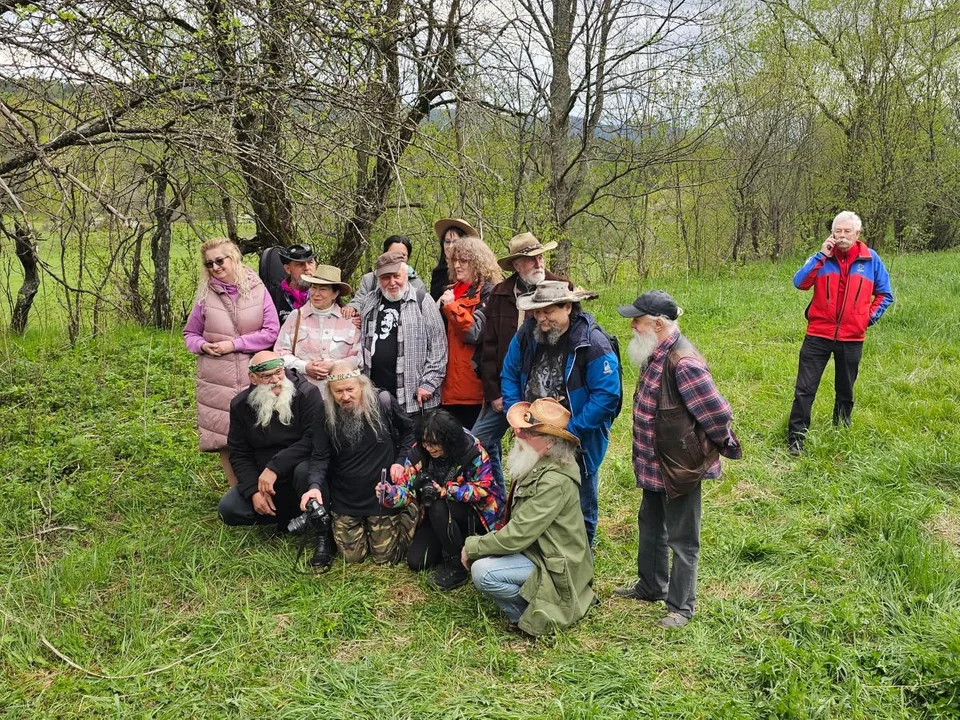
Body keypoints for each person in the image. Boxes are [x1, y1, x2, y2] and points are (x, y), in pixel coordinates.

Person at [612, 290, 741, 628]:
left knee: (682, 538)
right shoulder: (655, 353)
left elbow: (718, 414)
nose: (632, 327)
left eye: (636, 321)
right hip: (655, 464)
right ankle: (651, 586)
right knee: (650, 524)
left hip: (679, 467)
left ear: (657, 324)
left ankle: (682, 607)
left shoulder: (683, 362)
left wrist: (709, 453)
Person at [500, 280, 620, 547]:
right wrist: (515, 410)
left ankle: (581, 565)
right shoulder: (526, 335)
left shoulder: (593, 343)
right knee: (531, 494)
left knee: (580, 503)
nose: (541, 318)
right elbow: (509, 373)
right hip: (532, 431)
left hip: (576, 438)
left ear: (568, 307)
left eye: (549, 311)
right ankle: (538, 556)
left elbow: (607, 397)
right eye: (537, 312)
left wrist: (572, 431)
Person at [462, 398, 595, 637]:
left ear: (550, 443)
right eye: (522, 429)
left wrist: (473, 546)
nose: (518, 436)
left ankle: (534, 614)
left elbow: (518, 535)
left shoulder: (554, 481)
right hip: (538, 550)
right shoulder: (540, 463)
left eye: (529, 433)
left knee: (483, 571)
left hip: (551, 559)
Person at [787, 211, 894, 454]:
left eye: (847, 231)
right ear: (832, 233)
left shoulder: (871, 260)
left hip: (852, 337)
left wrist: (867, 318)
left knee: (845, 389)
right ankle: (796, 439)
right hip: (818, 334)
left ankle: (841, 431)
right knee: (805, 389)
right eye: (838, 231)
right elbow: (800, 283)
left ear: (857, 234)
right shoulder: (822, 258)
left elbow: (885, 294)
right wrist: (821, 256)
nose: (842, 236)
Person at [474, 232, 569, 491]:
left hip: (547, 392)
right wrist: (494, 392)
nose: (539, 263)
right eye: (531, 259)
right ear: (517, 265)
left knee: (546, 455)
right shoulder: (501, 294)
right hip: (507, 389)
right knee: (477, 444)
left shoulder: (560, 288)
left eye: (540, 257)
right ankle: (492, 498)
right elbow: (489, 347)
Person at [184, 237, 279, 487]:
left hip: (255, 372)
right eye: (208, 264)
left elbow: (271, 331)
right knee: (224, 437)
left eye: (219, 260)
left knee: (262, 431)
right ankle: (238, 491)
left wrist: (234, 344)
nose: (215, 267)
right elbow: (189, 335)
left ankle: (265, 488)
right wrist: (203, 345)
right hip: (217, 376)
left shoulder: (257, 289)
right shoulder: (205, 296)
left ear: (234, 258)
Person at [376, 409, 506, 589]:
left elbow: (484, 489)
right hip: (436, 516)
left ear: (449, 439)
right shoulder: (418, 453)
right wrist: (390, 494)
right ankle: (451, 545)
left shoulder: (472, 450)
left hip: (473, 513)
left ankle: (458, 565)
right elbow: (407, 490)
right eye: (425, 442)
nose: (429, 448)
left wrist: (447, 491)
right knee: (416, 562)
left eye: (434, 444)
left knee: (438, 504)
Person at [302, 362, 416, 564]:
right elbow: (319, 456)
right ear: (330, 391)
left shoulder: (383, 401)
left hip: (382, 496)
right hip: (346, 497)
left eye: (350, 389)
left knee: (385, 558)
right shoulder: (324, 412)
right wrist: (314, 487)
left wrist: (400, 461)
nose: (345, 397)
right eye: (338, 391)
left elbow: (410, 432)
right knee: (353, 558)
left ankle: (412, 510)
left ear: (362, 386)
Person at [217, 352, 320, 534]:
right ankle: (286, 518)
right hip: (264, 483)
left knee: (304, 471)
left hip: (298, 474)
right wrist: (253, 492)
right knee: (229, 509)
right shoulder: (240, 405)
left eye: (279, 372)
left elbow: (313, 439)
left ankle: (312, 519)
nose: (275, 380)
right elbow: (239, 453)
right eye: (267, 376)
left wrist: (274, 468)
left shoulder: (307, 393)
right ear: (253, 378)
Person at [359, 251, 448, 417]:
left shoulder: (423, 301)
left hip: (414, 399)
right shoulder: (369, 301)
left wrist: (428, 384)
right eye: (386, 278)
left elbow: (438, 348)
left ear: (405, 275)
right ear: (378, 279)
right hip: (375, 397)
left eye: (396, 276)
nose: (392, 283)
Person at [437, 235, 502, 429]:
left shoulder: (490, 292)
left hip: (474, 388)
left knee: (482, 451)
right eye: (455, 260)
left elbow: (475, 332)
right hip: (448, 389)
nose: (457, 265)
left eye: (463, 261)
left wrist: (451, 306)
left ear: (478, 262)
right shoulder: (451, 291)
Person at [273, 265, 361, 388]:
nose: (316, 294)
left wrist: (334, 366)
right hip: (302, 391)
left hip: (340, 392)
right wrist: (304, 367)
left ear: (335, 294)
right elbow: (280, 353)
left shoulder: (350, 321)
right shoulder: (296, 317)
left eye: (323, 289)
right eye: (314, 288)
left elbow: (359, 357)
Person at [343, 235, 426, 319]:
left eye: (403, 255)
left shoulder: (417, 284)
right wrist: (353, 309)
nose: (397, 258)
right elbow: (359, 300)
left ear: (408, 257)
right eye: (393, 254)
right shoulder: (370, 279)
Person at [265, 243, 317, 324]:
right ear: (288, 269)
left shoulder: (325, 293)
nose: (307, 268)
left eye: (310, 262)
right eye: (300, 264)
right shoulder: (273, 296)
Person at [430, 218, 479, 300]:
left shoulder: (474, 272)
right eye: (447, 242)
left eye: (455, 242)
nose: (450, 246)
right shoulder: (438, 273)